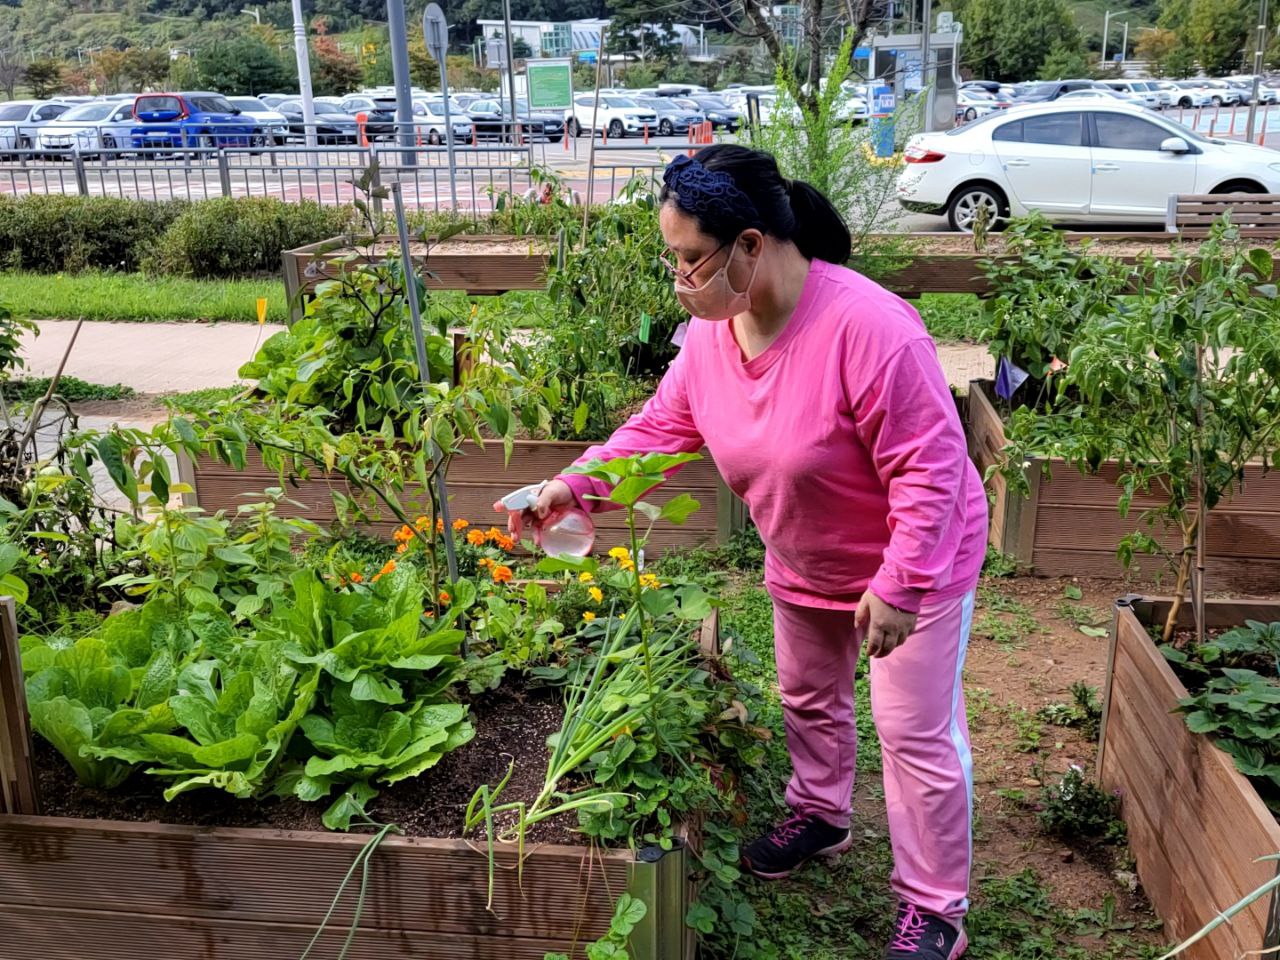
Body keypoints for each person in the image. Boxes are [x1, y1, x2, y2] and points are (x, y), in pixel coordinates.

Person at [504, 144, 987, 960]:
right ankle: (822, 814)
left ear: (752, 244)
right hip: (805, 558)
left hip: (915, 564)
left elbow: (931, 472)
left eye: (691, 258)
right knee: (809, 699)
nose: (681, 277)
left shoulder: (868, 331)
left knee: (913, 735)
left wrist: (903, 585)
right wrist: (575, 485)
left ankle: (935, 906)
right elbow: (661, 427)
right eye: (674, 258)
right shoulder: (713, 338)